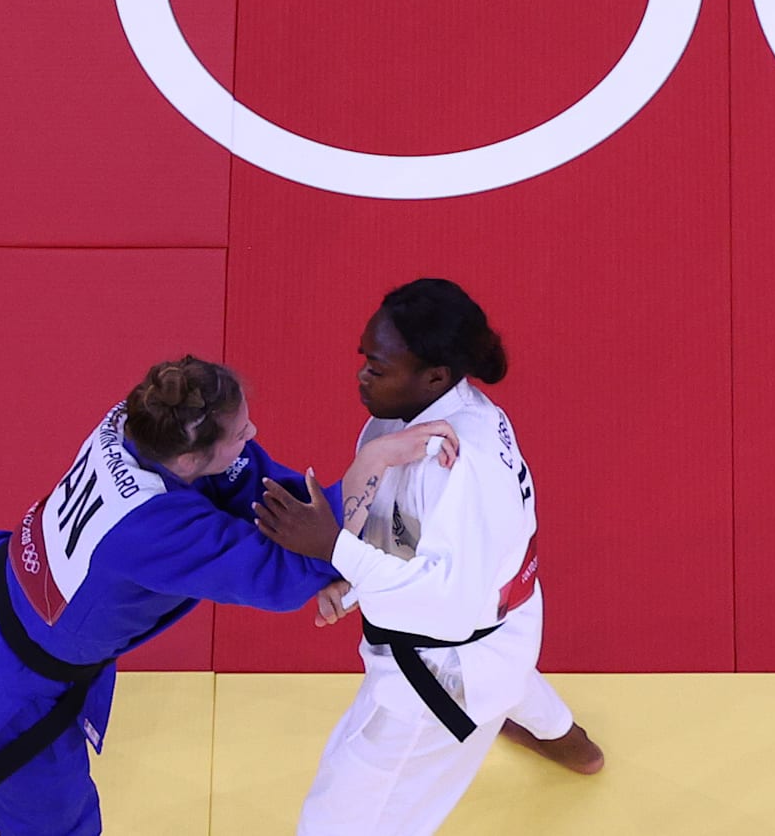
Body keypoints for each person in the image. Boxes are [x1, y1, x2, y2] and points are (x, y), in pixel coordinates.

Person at [0, 354, 458, 836]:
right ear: (192, 460)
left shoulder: (142, 419)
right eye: (241, 433)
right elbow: (284, 573)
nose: (254, 433)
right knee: (62, 826)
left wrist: (343, 565)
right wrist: (372, 464)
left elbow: (268, 499)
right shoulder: (152, 527)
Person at [255, 278, 603, 836]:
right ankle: (570, 743)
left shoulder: (460, 466)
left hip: (449, 669)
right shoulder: (424, 415)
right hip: (506, 623)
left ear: (435, 374)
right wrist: (357, 583)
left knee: (337, 815)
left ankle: (519, 723)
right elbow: (405, 529)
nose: (362, 375)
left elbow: (451, 611)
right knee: (509, 679)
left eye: (378, 366)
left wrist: (334, 548)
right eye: (364, 358)